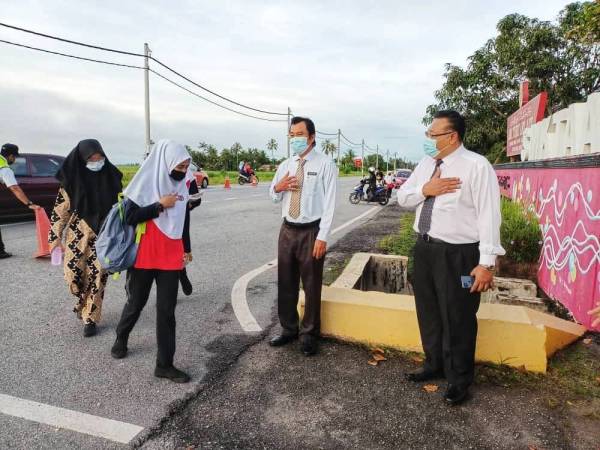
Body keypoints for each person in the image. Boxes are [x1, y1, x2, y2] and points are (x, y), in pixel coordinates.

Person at [397, 110, 505, 405]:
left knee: (458, 316)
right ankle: (434, 364)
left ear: (452, 136)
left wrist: (486, 264)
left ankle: (459, 379)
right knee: (429, 311)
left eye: (433, 134)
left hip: (460, 255)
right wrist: (425, 189)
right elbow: (403, 198)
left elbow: (489, 216)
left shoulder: (476, 166)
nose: (428, 139)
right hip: (426, 249)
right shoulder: (425, 165)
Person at [111, 139, 193, 384]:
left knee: (167, 311)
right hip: (145, 254)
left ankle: (164, 365)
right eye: (179, 166)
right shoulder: (144, 185)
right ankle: (121, 337)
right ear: (166, 162)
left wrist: (187, 248)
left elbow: (184, 219)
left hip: (171, 254)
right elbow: (130, 217)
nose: (181, 171)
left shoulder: (183, 187)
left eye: (185, 166)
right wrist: (159, 206)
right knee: (136, 302)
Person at [269, 116, 337, 356]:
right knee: (286, 282)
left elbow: (329, 205)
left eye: (299, 134)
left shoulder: (326, 164)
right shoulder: (286, 164)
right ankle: (289, 329)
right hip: (287, 230)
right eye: (292, 135)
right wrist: (278, 188)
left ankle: (309, 333)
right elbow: (273, 194)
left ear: (311, 137)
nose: (295, 139)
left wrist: (322, 237)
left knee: (311, 284)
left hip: (311, 231)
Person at [48, 139, 122, 337]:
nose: (97, 162)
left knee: (98, 277)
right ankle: (82, 299)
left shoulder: (113, 178)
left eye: (100, 158)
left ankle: (90, 318)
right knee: (73, 276)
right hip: (77, 236)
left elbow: (120, 210)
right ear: (82, 160)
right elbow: (60, 212)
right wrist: (54, 238)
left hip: (104, 237)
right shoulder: (71, 182)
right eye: (92, 159)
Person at [0, 143, 41, 258]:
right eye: (15, 157)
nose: (15, 159)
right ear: (11, 156)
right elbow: (14, 188)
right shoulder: (4, 168)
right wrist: (29, 204)